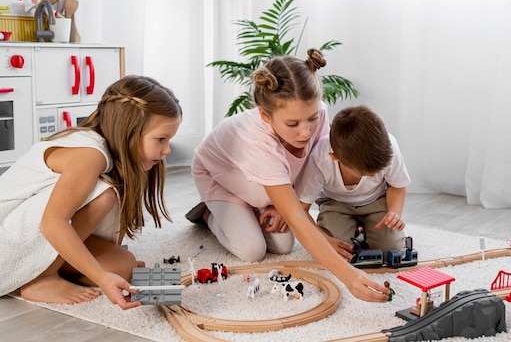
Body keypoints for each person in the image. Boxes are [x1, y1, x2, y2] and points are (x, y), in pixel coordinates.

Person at [187, 49, 390, 302]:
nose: (305, 132)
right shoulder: (257, 143)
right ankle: (208, 213)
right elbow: (296, 216)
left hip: (263, 184)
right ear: (264, 114)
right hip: (221, 178)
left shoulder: (319, 113)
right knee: (252, 250)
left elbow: (314, 164)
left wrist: (289, 209)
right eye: (292, 124)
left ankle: (260, 206)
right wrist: (348, 275)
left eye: (312, 119)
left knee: (283, 246)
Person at [0, 75, 182, 310]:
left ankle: (44, 270)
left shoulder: (117, 155)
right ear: (128, 130)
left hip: (27, 237)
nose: (166, 150)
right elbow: (52, 223)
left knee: (123, 264)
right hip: (7, 243)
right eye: (160, 139)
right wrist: (101, 277)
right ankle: (41, 278)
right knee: (105, 194)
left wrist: (105, 273)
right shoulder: (90, 155)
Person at [297, 105, 411, 261]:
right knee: (339, 251)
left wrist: (394, 212)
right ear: (335, 157)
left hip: (376, 200)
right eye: (364, 173)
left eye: (378, 171)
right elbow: (301, 210)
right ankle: (358, 233)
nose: (373, 175)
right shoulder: (319, 158)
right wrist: (325, 240)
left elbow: (397, 185)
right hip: (335, 204)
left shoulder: (390, 149)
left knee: (390, 250)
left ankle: (365, 231)